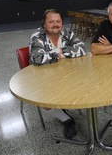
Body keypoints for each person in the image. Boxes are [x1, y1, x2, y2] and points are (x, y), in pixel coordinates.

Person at [29, 8, 86, 139]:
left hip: (67, 73)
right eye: (51, 22)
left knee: (84, 84)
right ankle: (67, 120)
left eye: (58, 21)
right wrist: (59, 54)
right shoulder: (37, 37)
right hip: (43, 77)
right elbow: (37, 59)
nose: (55, 24)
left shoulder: (66, 32)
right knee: (44, 101)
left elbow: (82, 48)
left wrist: (60, 51)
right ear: (44, 24)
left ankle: (65, 103)